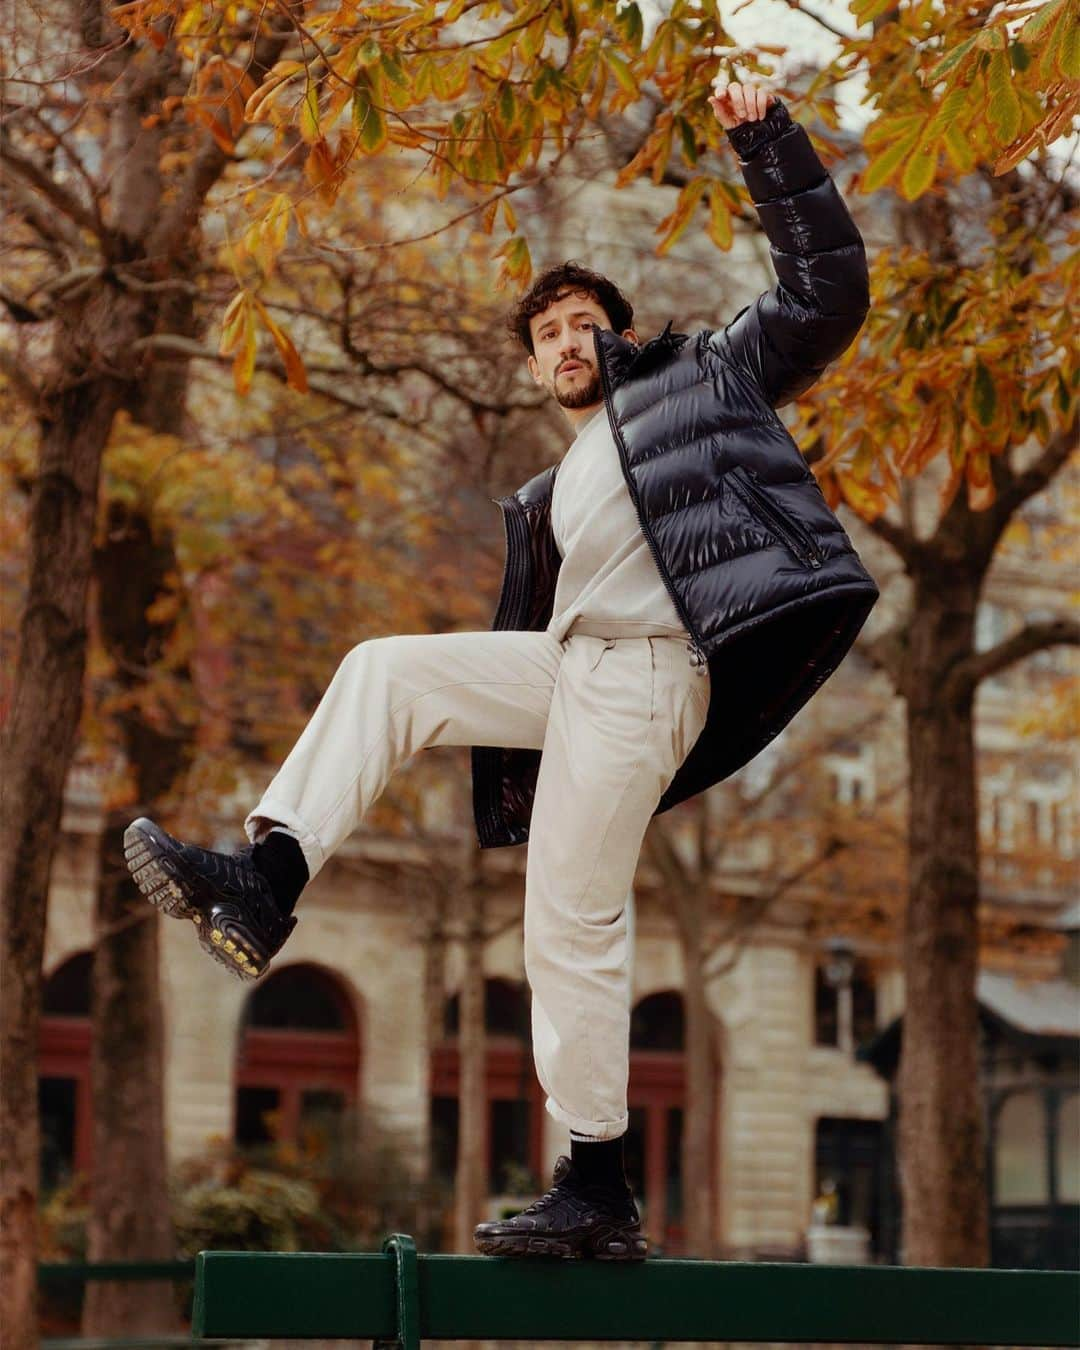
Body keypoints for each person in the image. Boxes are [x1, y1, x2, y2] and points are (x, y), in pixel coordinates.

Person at [124, 76, 878, 1261]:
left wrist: (764, 140)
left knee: (567, 926)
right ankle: (268, 874)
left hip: (647, 676)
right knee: (389, 670)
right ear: (533, 369)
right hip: (572, 672)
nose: (568, 344)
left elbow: (828, 292)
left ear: (618, 334)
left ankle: (597, 1185)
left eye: (585, 324)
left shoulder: (700, 380)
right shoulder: (551, 489)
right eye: (547, 336)